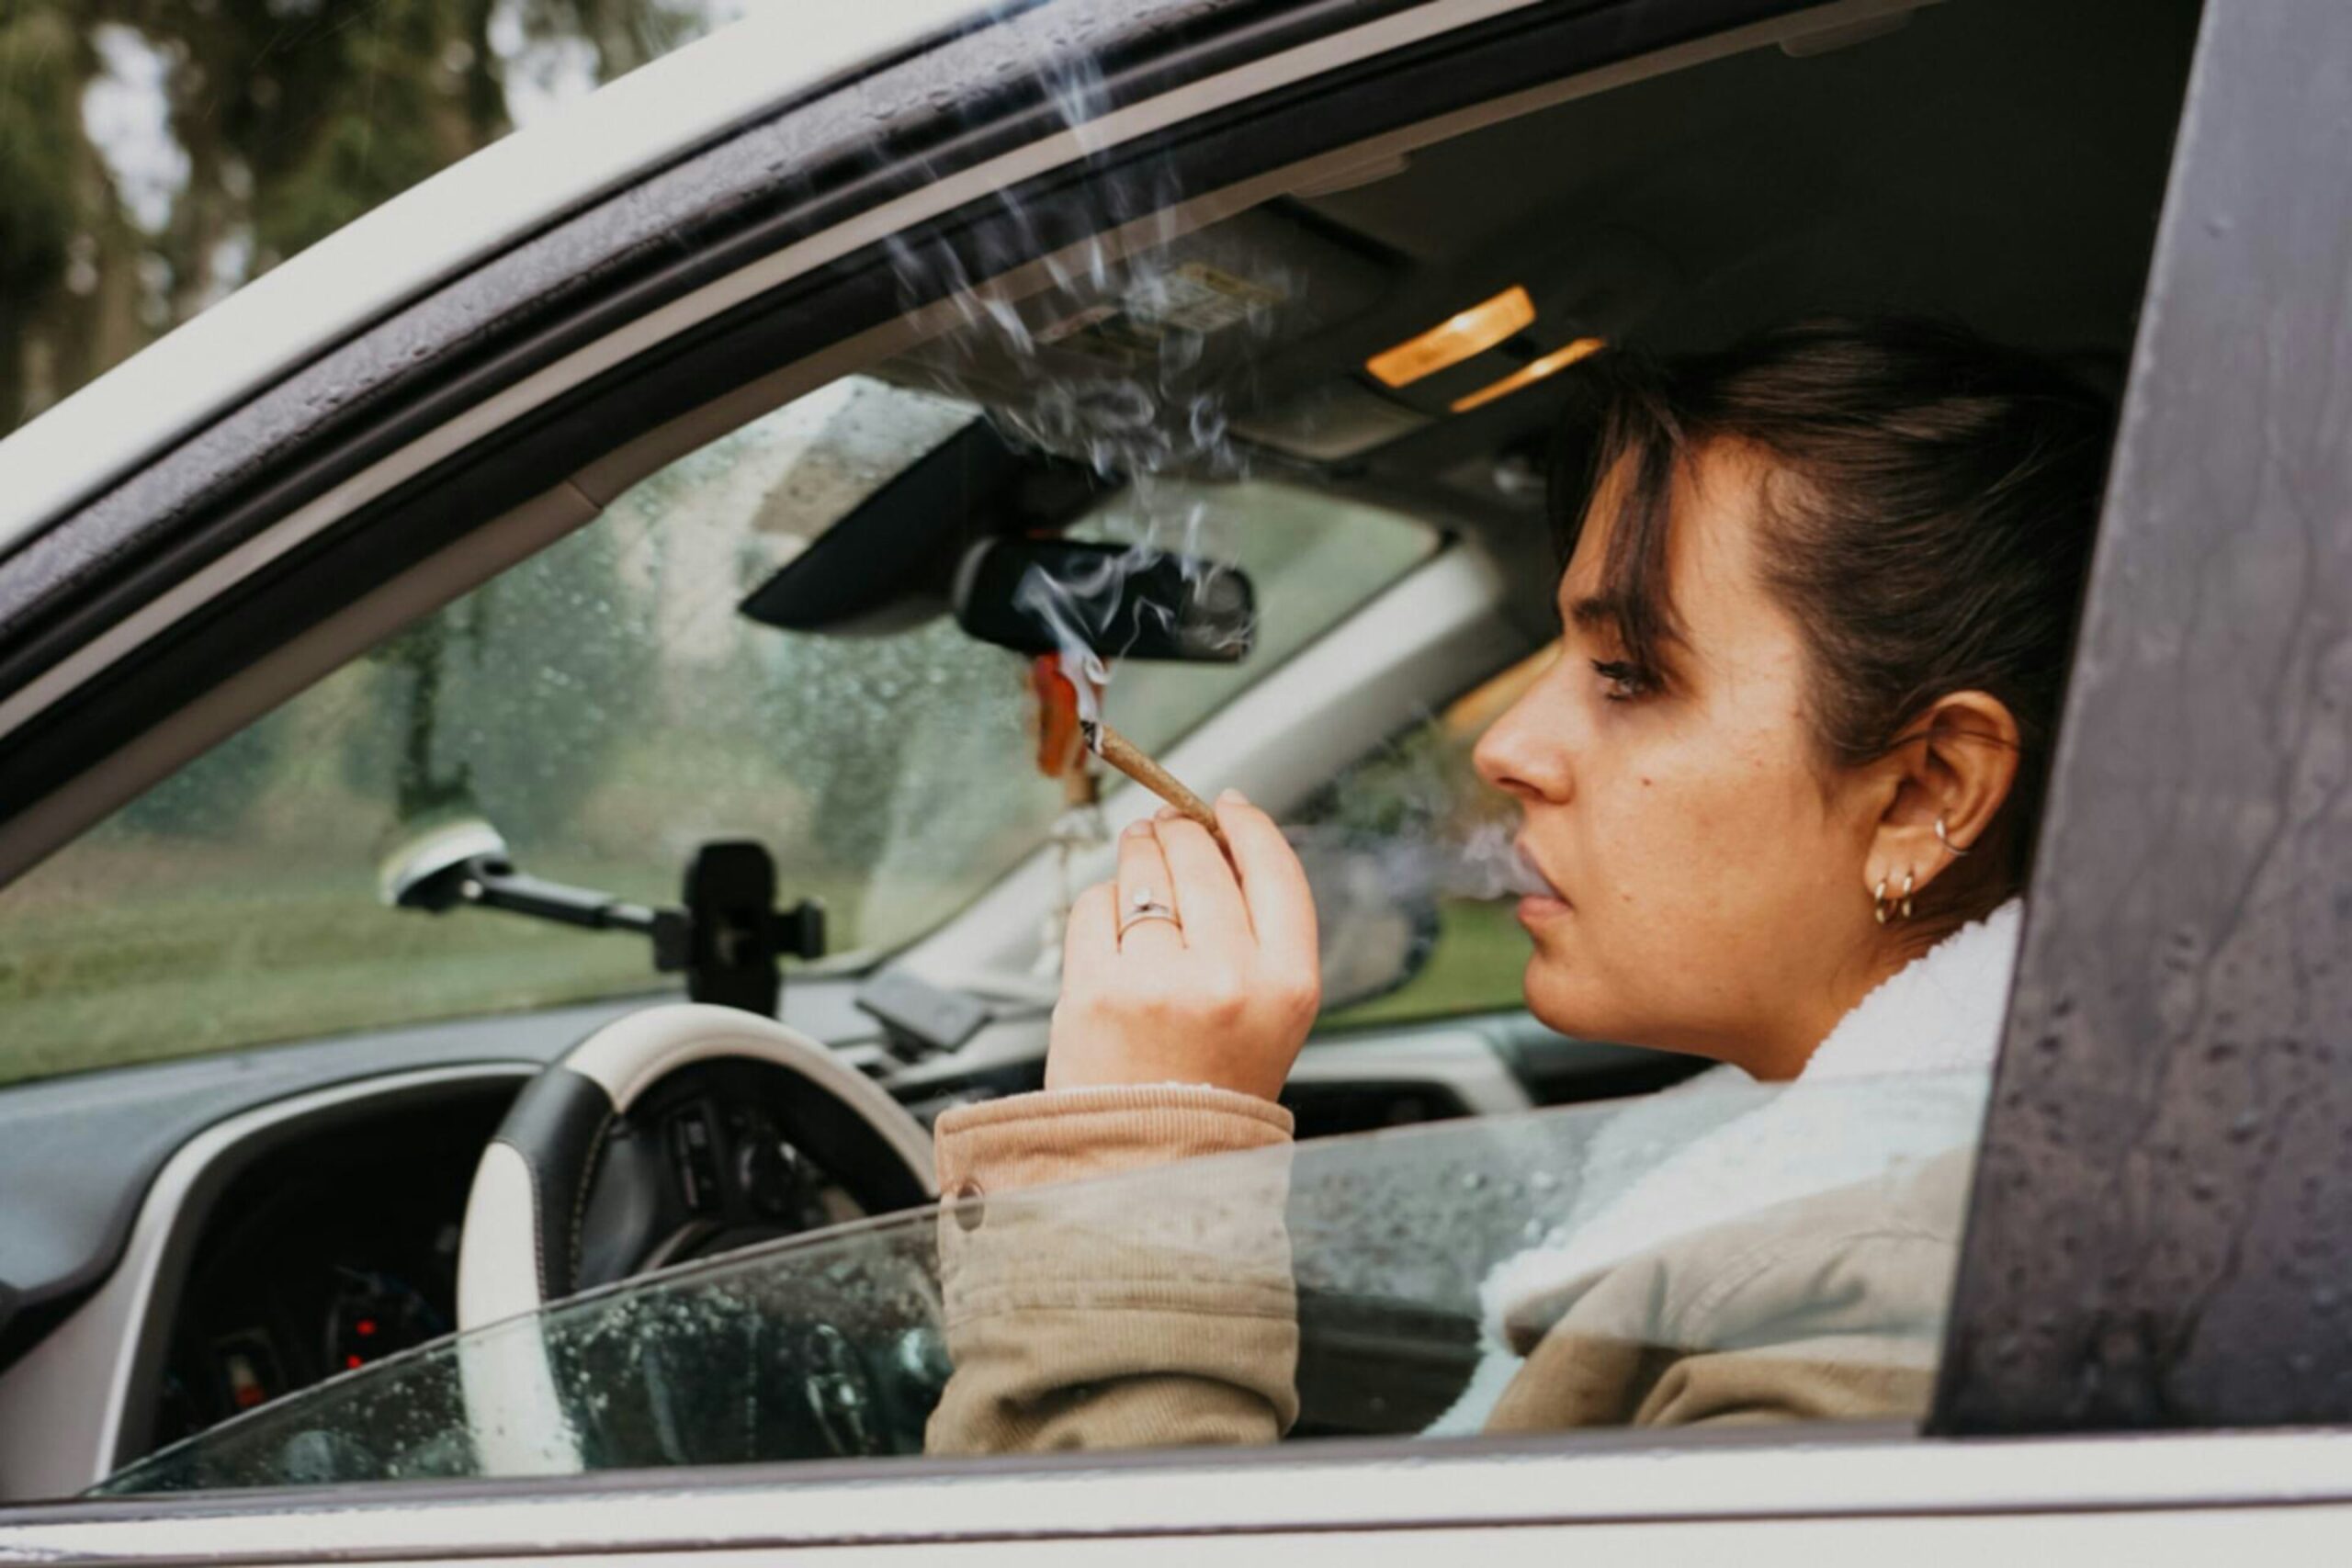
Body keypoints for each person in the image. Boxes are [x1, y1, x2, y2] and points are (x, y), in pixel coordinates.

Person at [925, 317, 2114, 1452]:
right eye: (1562, 653)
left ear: (1924, 791)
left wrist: (1132, 1186)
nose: (1508, 747)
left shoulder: (1879, 1321)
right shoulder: (1819, 1199)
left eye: (1630, 672)